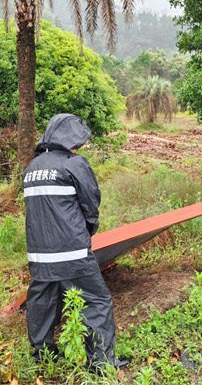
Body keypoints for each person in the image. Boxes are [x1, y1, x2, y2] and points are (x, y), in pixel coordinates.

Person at [23, 113, 124, 371]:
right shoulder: (74, 164)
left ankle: (44, 357)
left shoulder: (32, 168)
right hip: (71, 252)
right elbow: (91, 203)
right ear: (70, 139)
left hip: (38, 255)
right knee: (96, 302)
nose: (79, 147)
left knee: (43, 302)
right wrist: (87, 232)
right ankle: (101, 363)